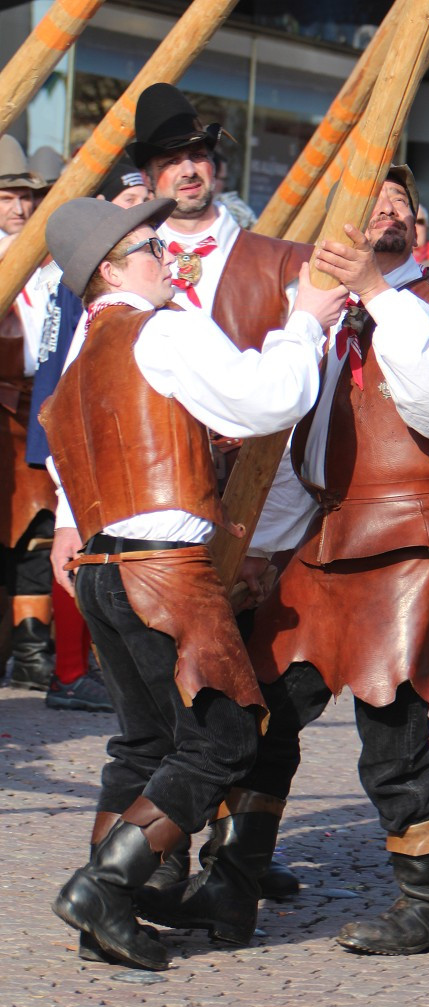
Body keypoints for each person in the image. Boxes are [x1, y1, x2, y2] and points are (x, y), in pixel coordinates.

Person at [136, 165, 429, 957]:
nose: (381, 215)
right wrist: (264, 546)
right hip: (327, 539)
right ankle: (231, 888)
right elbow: (304, 443)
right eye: (368, 205)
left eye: (397, 205)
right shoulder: (331, 317)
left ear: (417, 225)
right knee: (263, 712)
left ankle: (428, 905)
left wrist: (378, 290)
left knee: (392, 730)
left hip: (410, 542)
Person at [40, 195, 347, 969]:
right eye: (150, 248)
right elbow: (271, 395)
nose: (167, 259)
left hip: (104, 570)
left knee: (142, 742)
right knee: (226, 739)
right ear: (111, 267)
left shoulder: (82, 358)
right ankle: (104, 888)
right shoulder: (162, 330)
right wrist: (305, 319)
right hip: (162, 570)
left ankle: (105, 915)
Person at [117, 82, 319, 901]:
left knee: (260, 696)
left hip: (255, 500)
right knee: (171, 707)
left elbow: (290, 401)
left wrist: (268, 536)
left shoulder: (273, 259)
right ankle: (154, 865)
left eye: (199, 154)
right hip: (154, 509)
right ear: (150, 171)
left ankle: (238, 862)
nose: (188, 170)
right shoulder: (120, 258)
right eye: (172, 158)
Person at [25, 157, 151, 713]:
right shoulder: (86, 272)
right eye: (127, 204)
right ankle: (71, 670)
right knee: (76, 546)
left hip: (84, 420)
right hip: (76, 423)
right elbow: (61, 360)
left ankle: (85, 665)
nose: (137, 215)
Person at [0, 135, 56, 690]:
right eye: (7, 197)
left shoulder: (45, 267)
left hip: (33, 412)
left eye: (26, 197)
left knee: (38, 533)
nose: (19, 208)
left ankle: (35, 654)